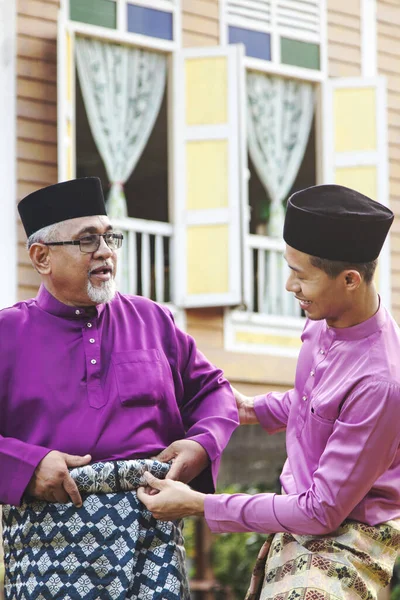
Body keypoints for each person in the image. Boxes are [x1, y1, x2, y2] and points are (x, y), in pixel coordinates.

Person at [138, 184, 400, 600]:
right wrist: (252, 408)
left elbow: (321, 511)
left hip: (348, 535)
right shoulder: (325, 319)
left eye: (302, 276)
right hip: (300, 514)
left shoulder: (382, 382)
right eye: (289, 268)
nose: (288, 286)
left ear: (350, 279)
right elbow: (318, 400)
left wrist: (200, 505)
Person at [0, 176, 238, 600]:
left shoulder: (153, 320)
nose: (106, 251)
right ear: (41, 257)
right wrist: (28, 466)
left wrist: (201, 444)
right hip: (51, 541)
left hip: (153, 533)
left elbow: (213, 392)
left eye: (111, 237)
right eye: (87, 240)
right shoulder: (7, 334)